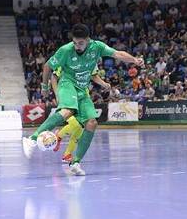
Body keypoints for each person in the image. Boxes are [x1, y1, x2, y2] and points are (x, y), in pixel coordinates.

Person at [22, 24, 144, 176]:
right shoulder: (66, 50)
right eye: (75, 43)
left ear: (88, 40)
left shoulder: (97, 47)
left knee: (92, 123)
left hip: (82, 90)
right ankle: (32, 139)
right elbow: (47, 67)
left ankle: (75, 162)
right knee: (67, 111)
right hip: (67, 84)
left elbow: (118, 54)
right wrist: (45, 87)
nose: (77, 46)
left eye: (80, 43)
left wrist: (134, 60)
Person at [51, 67, 111, 163]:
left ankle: (67, 154)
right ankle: (59, 136)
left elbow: (94, 76)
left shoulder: (87, 64)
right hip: (69, 98)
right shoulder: (65, 60)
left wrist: (104, 84)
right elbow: (54, 77)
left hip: (83, 98)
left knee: (79, 129)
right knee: (76, 124)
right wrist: (57, 95)